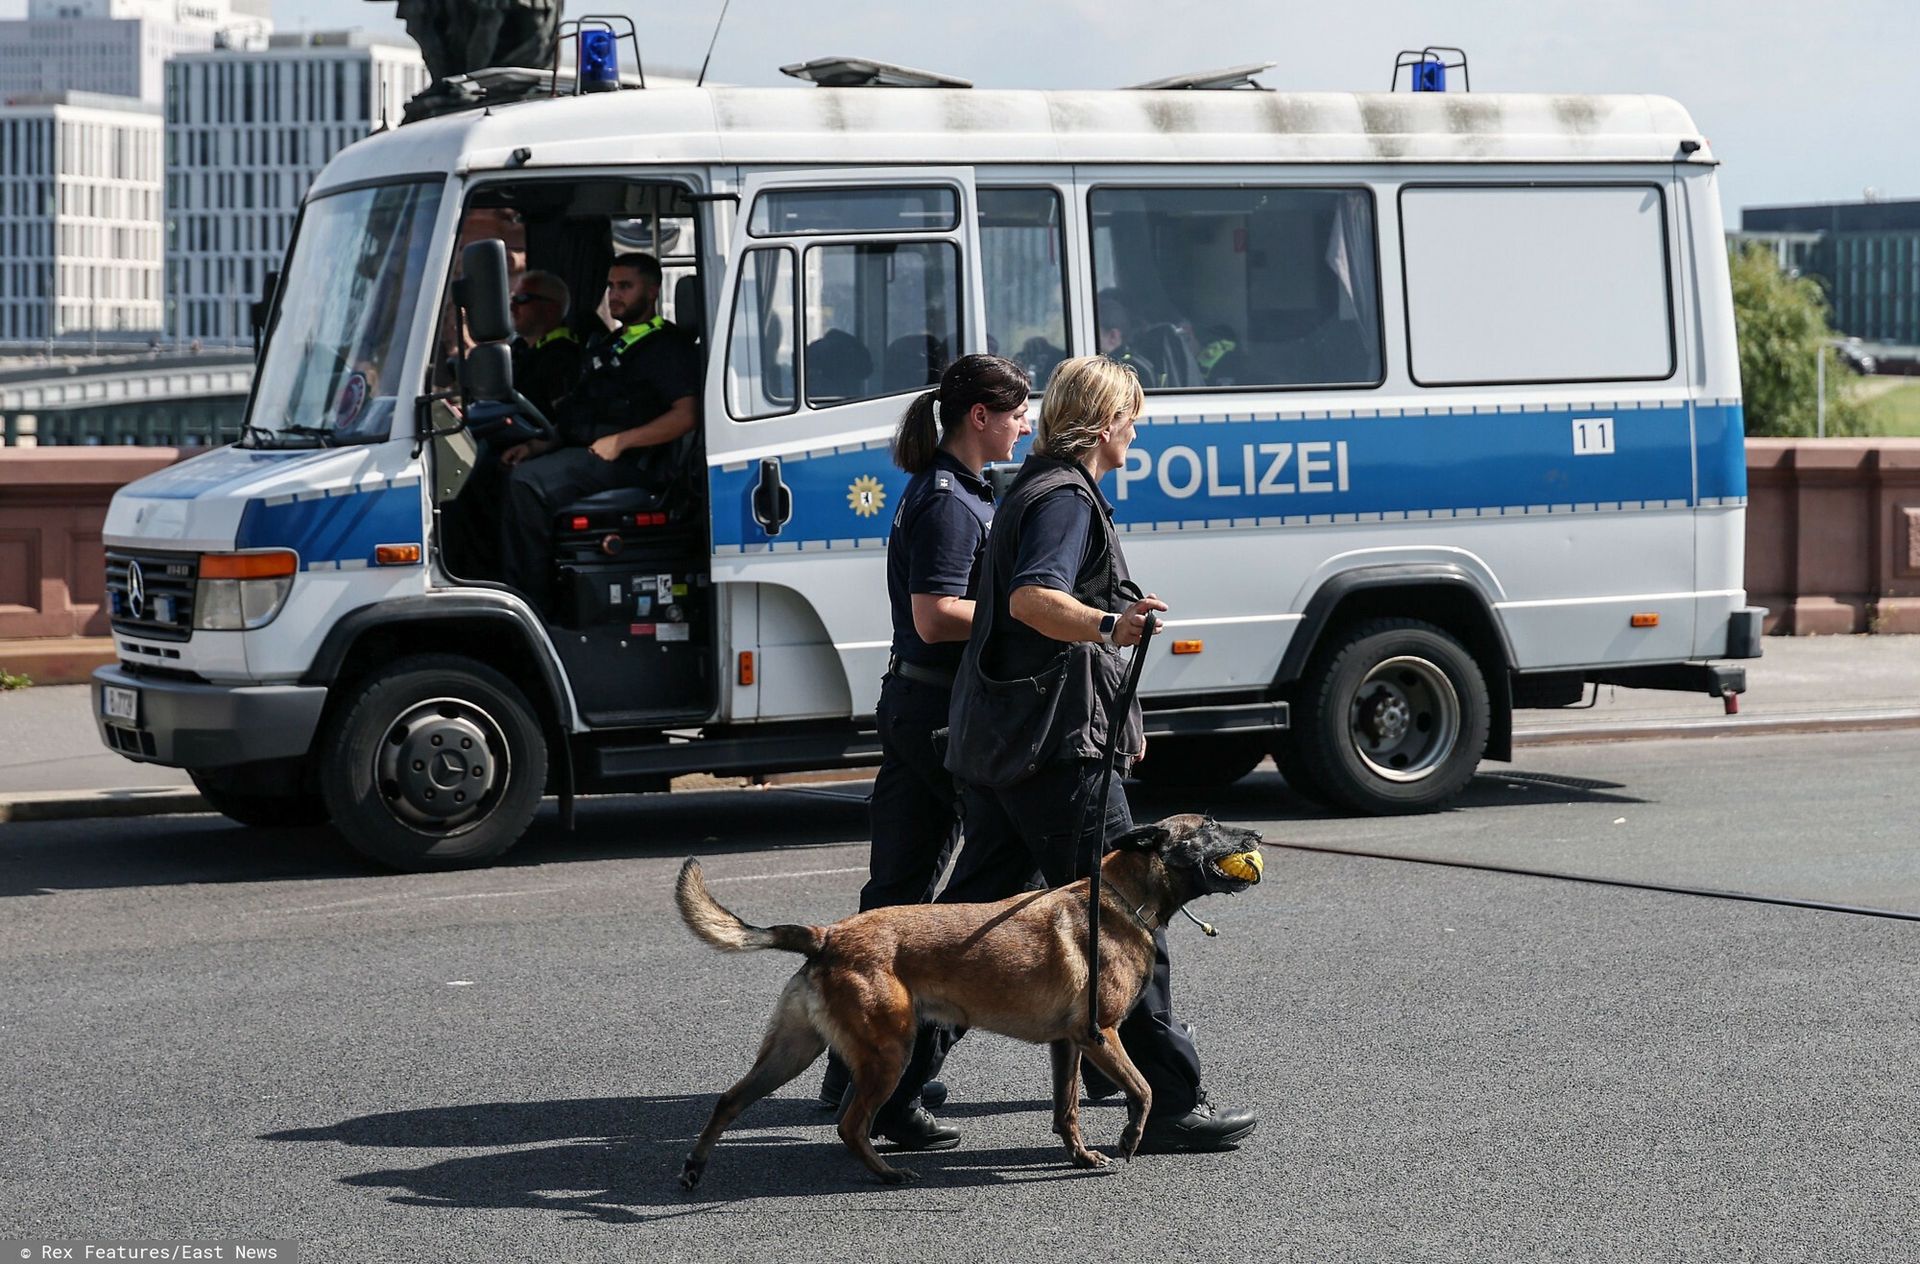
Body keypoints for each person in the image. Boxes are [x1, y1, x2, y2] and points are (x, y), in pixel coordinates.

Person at [937, 354, 1259, 1153]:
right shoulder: (1065, 501)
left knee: (965, 934)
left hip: (1007, 745)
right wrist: (1111, 626)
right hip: (1055, 753)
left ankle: (886, 1081)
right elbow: (1031, 600)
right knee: (1127, 923)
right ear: (1105, 423)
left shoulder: (1035, 490)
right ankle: (1176, 1103)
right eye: (1131, 419)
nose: (1135, 432)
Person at [814, 354, 1033, 1147]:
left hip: (918, 704)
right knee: (990, 874)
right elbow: (939, 614)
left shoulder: (958, 490)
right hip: (938, 709)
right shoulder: (948, 501)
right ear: (978, 416)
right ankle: (889, 1071)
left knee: (898, 884)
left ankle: (852, 1063)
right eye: (1015, 414)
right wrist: (1028, 613)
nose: (1024, 426)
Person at [496, 253, 699, 612]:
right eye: (610, 286)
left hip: (635, 462)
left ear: (652, 292)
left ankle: (528, 604)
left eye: (625, 286)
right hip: (592, 452)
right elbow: (583, 413)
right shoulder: (610, 341)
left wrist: (621, 442)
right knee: (504, 469)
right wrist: (536, 445)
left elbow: (686, 415)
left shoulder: (666, 346)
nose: (614, 294)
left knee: (527, 485)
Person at [508, 269, 583, 421]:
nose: (512, 307)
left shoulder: (562, 357)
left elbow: (568, 422)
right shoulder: (519, 348)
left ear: (551, 308)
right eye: (512, 300)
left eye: (522, 299)